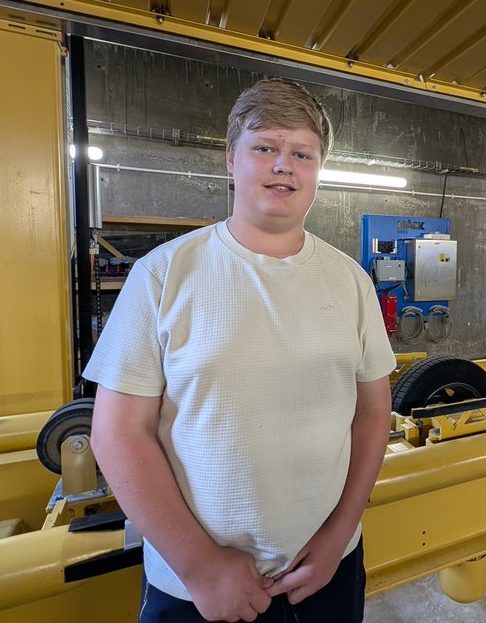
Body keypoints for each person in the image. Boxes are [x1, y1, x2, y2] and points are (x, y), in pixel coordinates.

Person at [84, 77, 397, 623]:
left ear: (318, 170)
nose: (284, 166)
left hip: (326, 571)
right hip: (198, 589)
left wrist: (339, 534)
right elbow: (118, 433)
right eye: (265, 147)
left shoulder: (351, 282)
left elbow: (372, 413)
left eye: (302, 154)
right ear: (230, 158)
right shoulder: (162, 275)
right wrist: (201, 567)